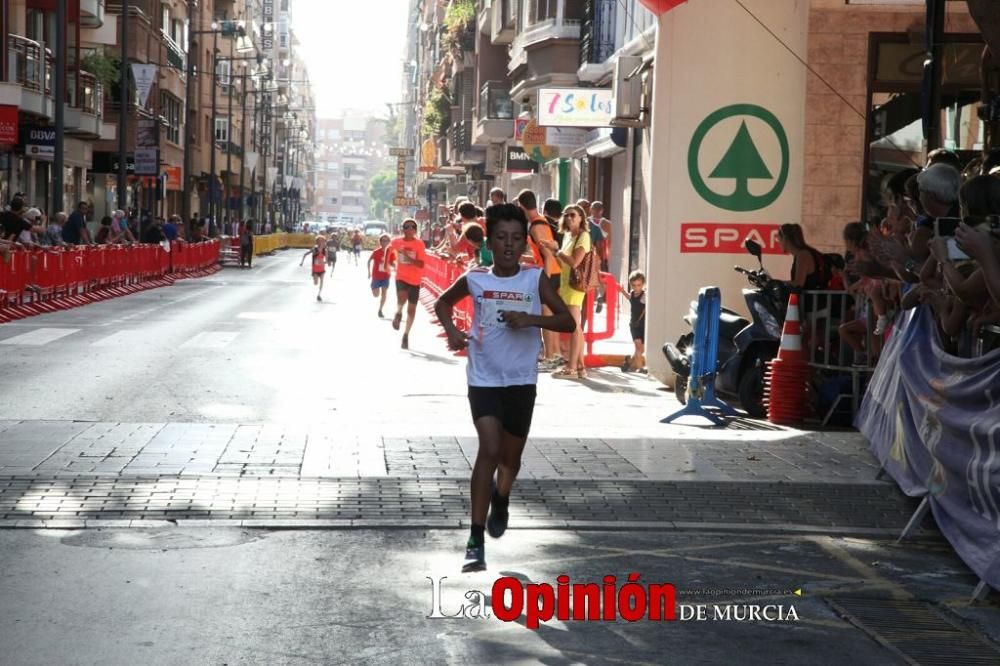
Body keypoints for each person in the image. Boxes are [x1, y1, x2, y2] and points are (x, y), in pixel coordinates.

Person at [434, 202, 575, 573]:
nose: (509, 245)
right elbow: (442, 303)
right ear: (490, 241)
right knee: (490, 450)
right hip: (483, 378)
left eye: (516, 238)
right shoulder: (477, 278)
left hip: (521, 381)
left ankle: (502, 496)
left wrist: (530, 318)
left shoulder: (534, 279)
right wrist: (452, 332)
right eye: (501, 238)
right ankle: (475, 540)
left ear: (524, 243)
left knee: (509, 460)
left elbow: (567, 321)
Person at [541, 204, 592, 379]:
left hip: (575, 286)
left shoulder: (583, 236)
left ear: (581, 218)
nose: (569, 218)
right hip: (566, 284)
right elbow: (564, 261)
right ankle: (580, 367)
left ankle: (572, 368)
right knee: (575, 327)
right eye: (567, 215)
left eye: (573, 215)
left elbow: (574, 262)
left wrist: (556, 250)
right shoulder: (568, 235)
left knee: (574, 327)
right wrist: (555, 251)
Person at [517, 189, 563, 369]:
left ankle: (550, 356)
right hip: (552, 272)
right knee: (550, 316)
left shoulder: (536, 225)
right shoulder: (540, 222)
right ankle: (555, 354)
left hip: (550, 273)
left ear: (522, 206)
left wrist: (547, 278)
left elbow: (548, 253)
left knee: (546, 316)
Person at [391, 218, 427, 349]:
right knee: (402, 297)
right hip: (401, 276)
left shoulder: (419, 244)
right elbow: (388, 252)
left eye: (412, 227)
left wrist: (408, 257)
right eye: (406, 227)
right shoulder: (396, 242)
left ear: (415, 230)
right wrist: (388, 263)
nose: (409, 229)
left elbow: (421, 264)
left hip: (415, 279)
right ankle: (398, 312)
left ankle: (406, 335)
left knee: (411, 311)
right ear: (403, 229)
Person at [777, 223, 828, 290]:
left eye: (779, 240)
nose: (778, 243)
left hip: (810, 299)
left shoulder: (803, 255)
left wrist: (776, 284)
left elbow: (798, 284)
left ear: (785, 239)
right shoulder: (801, 254)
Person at [618, 270, 647, 372]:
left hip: (643, 325)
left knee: (641, 349)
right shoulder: (632, 294)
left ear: (643, 284)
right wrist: (622, 291)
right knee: (638, 347)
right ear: (631, 285)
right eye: (634, 285)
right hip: (634, 325)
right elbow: (629, 298)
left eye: (639, 285)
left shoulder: (644, 296)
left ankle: (629, 362)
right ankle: (640, 368)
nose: (636, 287)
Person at [367, 233, 395, 317]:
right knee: (376, 295)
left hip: (386, 276)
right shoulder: (376, 252)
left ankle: (380, 309)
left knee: (384, 292)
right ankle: (373, 287)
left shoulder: (391, 252)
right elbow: (369, 261)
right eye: (383, 240)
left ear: (389, 242)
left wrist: (394, 266)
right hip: (376, 276)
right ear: (380, 242)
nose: (385, 242)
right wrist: (369, 272)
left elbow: (393, 262)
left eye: (387, 240)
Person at [300, 236, 328, 301]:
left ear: (324, 242)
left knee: (322, 281)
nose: (321, 242)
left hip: (322, 269)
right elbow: (305, 254)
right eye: (319, 241)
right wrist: (302, 262)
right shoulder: (314, 249)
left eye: (322, 241)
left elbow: (326, 260)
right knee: (315, 283)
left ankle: (319, 294)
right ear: (317, 242)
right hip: (315, 269)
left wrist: (323, 262)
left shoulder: (325, 250)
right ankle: (317, 287)